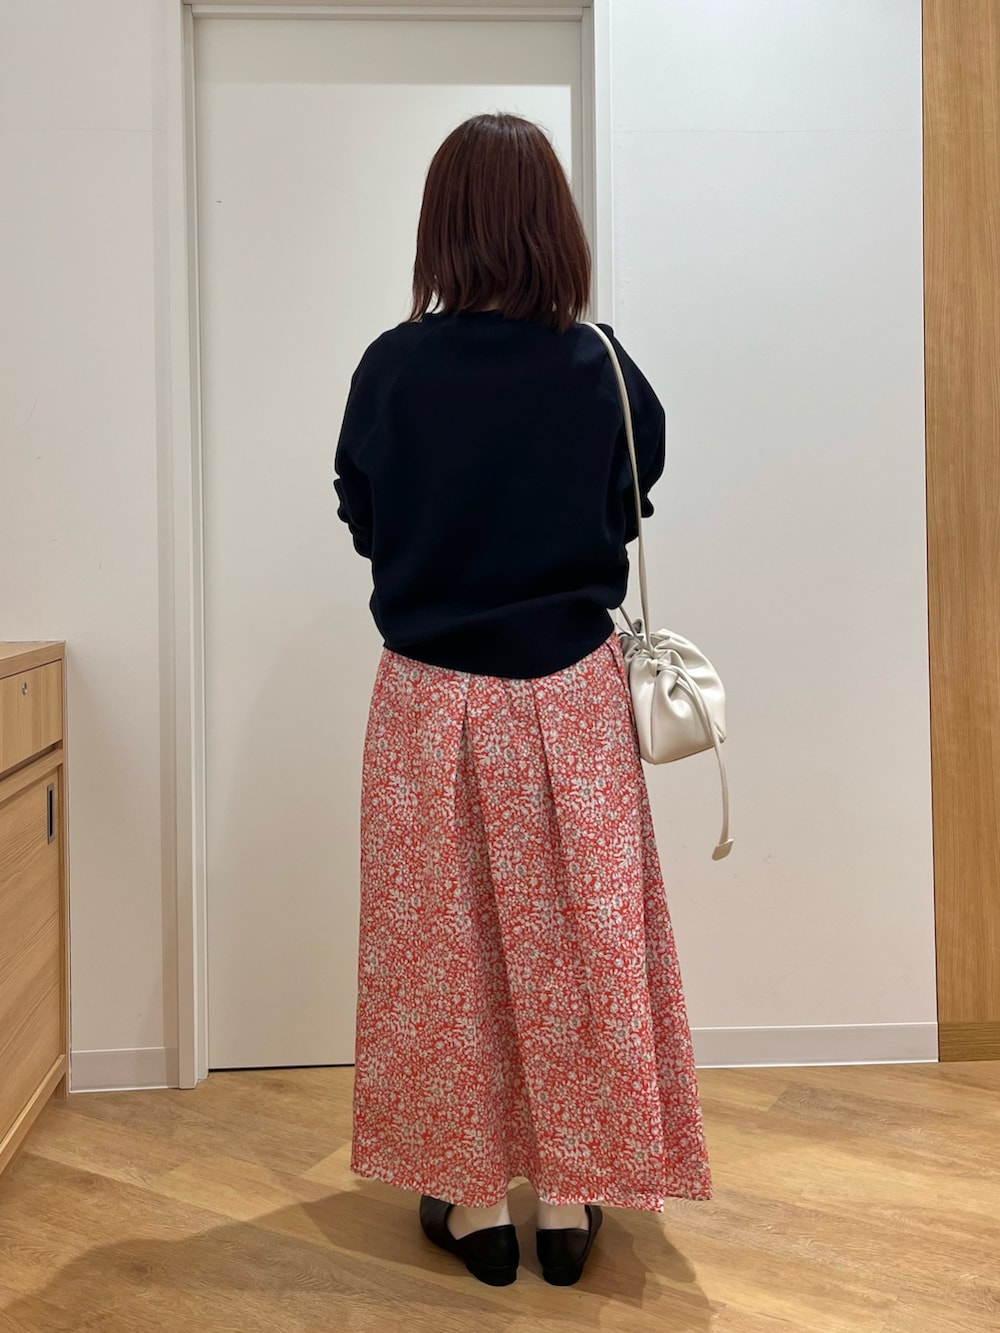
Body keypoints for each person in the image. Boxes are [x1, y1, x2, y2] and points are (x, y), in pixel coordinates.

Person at [333, 112, 711, 1289]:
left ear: (442, 227)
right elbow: (634, 496)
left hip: (427, 701)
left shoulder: (392, 367)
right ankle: (569, 1199)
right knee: (582, 950)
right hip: (573, 700)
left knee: (443, 956)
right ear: (555, 224)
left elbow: (363, 515)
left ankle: (470, 1203)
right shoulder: (600, 366)